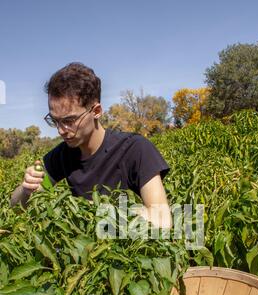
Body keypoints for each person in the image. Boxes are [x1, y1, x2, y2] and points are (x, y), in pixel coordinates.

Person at [10, 63, 172, 228]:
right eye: (55, 120)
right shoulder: (62, 154)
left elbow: (162, 220)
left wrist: (95, 216)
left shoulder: (135, 148)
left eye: (69, 120)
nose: (60, 130)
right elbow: (16, 209)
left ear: (96, 111)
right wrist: (26, 189)